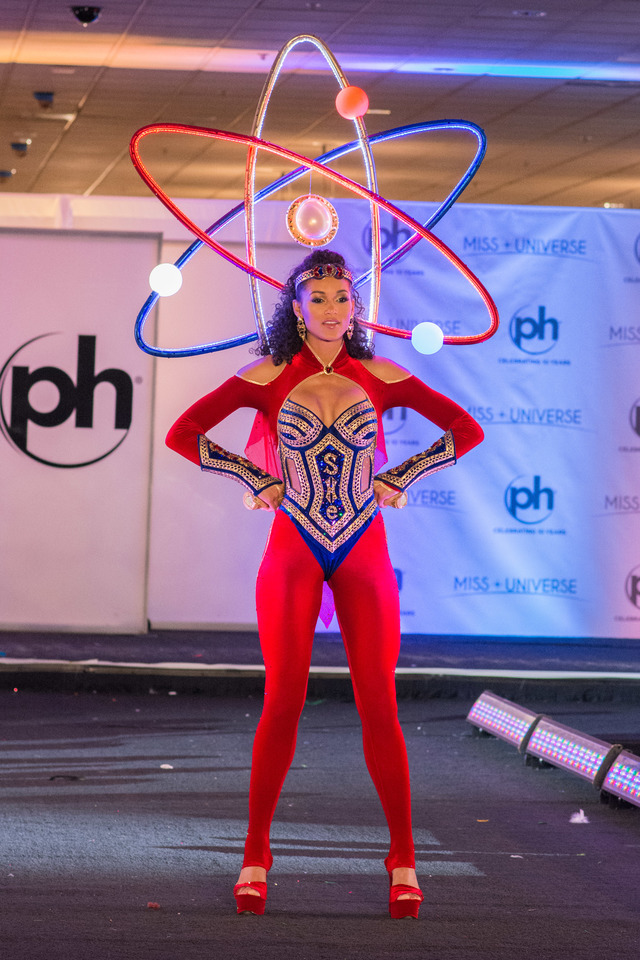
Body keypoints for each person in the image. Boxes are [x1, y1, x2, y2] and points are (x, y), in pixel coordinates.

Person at [165, 249, 484, 919]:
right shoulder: (269, 373)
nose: (334, 310)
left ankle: (403, 858)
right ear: (296, 307)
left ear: (355, 306)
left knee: (379, 705)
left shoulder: (380, 372)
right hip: (294, 548)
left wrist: (404, 475)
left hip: (364, 549)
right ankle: (256, 854)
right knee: (283, 699)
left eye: (343, 297)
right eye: (320, 299)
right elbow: (183, 432)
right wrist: (255, 479)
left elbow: (466, 428)